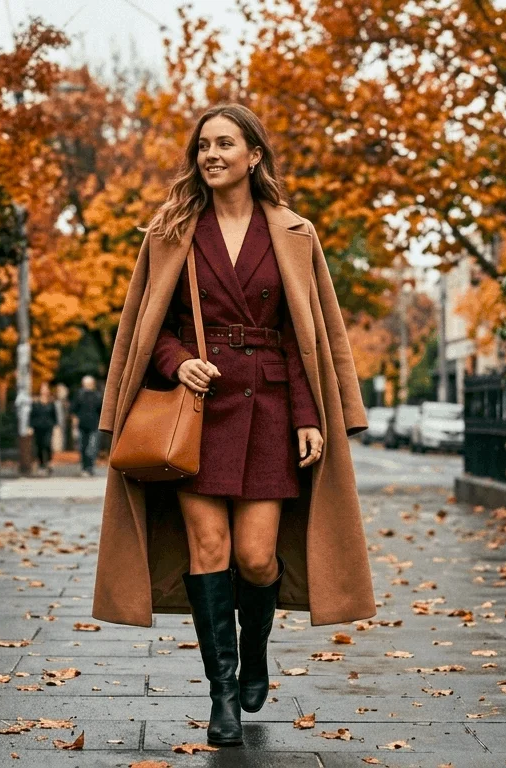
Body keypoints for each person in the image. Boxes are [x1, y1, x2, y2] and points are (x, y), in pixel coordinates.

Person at [91, 104, 375, 748]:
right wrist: (178, 361)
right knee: (209, 551)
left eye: (225, 144)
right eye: (202, 146)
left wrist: (310, 416)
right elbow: (147, 328)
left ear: (254, 156)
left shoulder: (295, 233)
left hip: (271, 410)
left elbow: (304, 337)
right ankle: (222, 695)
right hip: (201, 415)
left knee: (255, 557)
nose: (211, 155)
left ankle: (255, 655)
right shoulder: (171, 232)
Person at [71, 375, 103, 476]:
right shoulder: (79, 395)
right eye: (86, 384)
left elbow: (101, 411)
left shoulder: (98, 396)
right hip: (82, 426)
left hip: (94, 426)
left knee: (92, 448)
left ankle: (90, 467)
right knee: (83, 447)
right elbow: (74, 411)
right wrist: (74, 426)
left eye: (89, 384)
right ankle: (84, 468)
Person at [28, 385, 58, 476]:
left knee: (47, 444)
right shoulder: (35, 402)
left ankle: (49, 462)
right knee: (39, 446)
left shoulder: (51, 403)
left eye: (46, 390)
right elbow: (32, 415)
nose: (44, 391)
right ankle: (41, 465)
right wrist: (30, 427)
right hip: (38, 427)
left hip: (48, 426)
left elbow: (54, 416)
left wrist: (56, 426)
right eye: (43, 390)